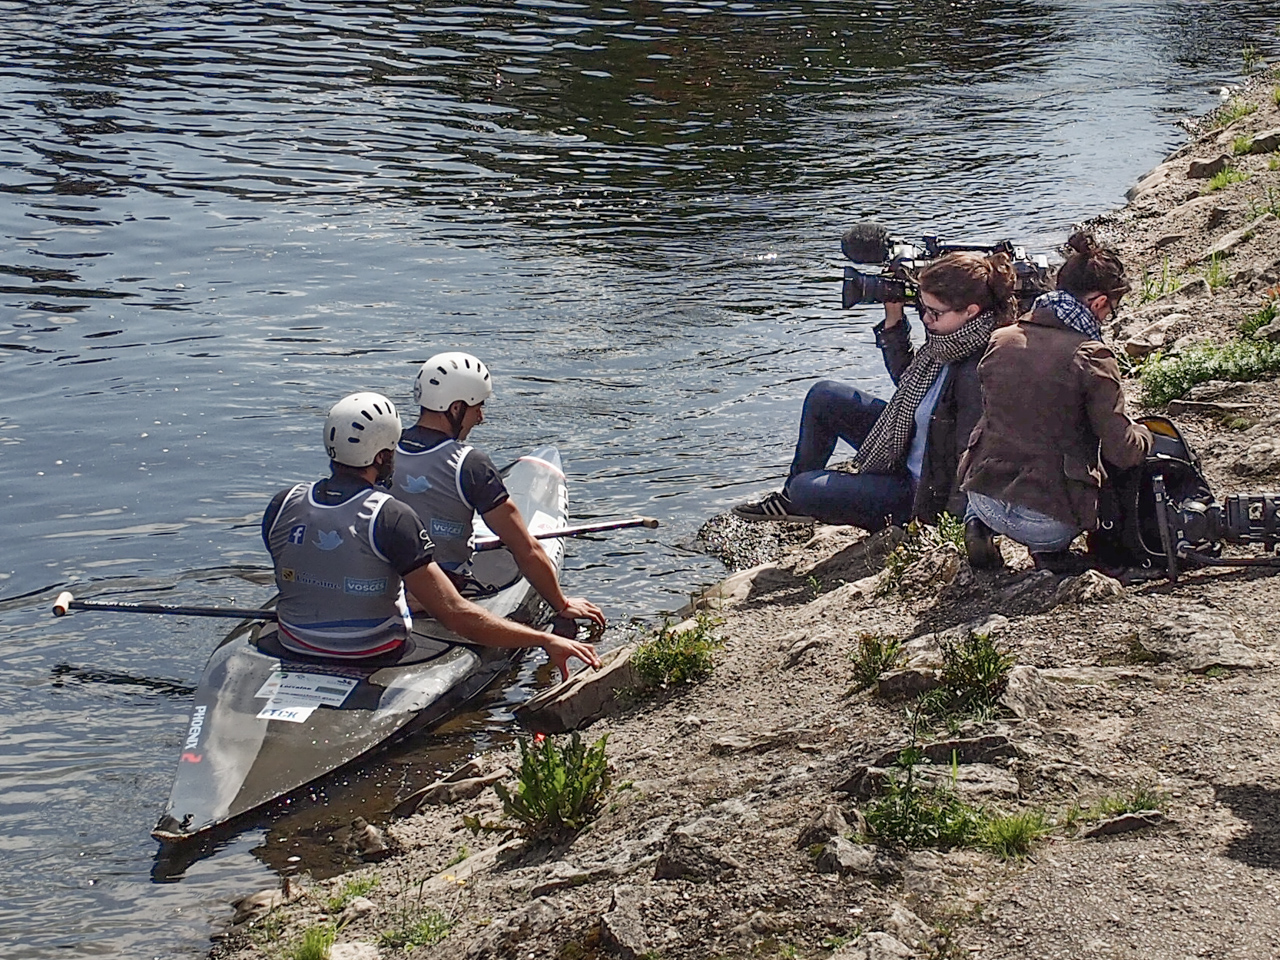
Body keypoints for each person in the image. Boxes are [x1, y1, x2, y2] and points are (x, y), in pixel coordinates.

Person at [262, 391, 601, 679]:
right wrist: (542, 639)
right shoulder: (392, 516)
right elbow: (457, 615)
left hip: (294, 642)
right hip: (371, 650)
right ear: (382, 456)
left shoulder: (282, 504)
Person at [733, 252, 1016, 530]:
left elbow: (969, 461)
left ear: (971, 311)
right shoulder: (951, 339)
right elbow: (909, 386)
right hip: (912, 445)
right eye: (922, 307)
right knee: (825, 395)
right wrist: (894, 322)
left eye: (934, 312)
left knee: (805, 488)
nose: (926, 319)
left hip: (920, 491)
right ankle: (790, 502)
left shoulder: (978, 368)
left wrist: (950, 525)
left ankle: (800, 498)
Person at [958, 231, 1153, 572]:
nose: (1108, 318)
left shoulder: (1002, 339)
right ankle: (1052, 553)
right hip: (1045, 522)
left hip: (983, 496)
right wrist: (1146, 435)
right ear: (1099, 303)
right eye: (1112, 309)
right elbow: (1122, 450)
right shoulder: (1093, 357)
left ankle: (977, 524)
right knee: (1117, 458)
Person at [391, 352, 605, 629]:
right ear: (455, 408)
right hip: (441, 590)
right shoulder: (469, 465)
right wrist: (561, 603)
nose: (480, 418)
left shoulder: (382, 452)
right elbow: (524, 547)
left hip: (388, 584)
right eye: (477, 407)